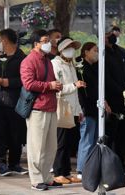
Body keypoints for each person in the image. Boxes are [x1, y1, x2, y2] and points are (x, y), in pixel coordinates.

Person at [20, 29, 62, 191]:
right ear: (36, 43)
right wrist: (49, 86)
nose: (48, 44)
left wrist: (55, 85)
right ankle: (36, 180)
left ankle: (46, 177)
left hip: (50, 106)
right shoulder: (29, 61)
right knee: (36, 147)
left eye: (48, 40)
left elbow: (49, 81)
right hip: (37, 108)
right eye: (45, 41)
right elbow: (28, 84)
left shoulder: (47, 60)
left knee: (51, 147)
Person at [0, 29, 29, 176]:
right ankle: (0, 163)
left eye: (1, 40)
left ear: (5, 40)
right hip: (0, 102)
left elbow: (25, 79)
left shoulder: (22, 59)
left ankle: (15, 163)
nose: (0, 43)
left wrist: (9, 82)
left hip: (16, 102)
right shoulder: (0, 59)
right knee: (0, 134)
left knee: (16, 134)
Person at [51, 37, 84, 184]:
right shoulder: (55, 64)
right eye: (68, 47)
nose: (71, 50)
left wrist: (79, 110)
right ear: (61, 49)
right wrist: (74, 85)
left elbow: (75, 93)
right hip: (62, 108)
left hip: (73, 109)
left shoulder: (72, 65)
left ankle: (67, 172)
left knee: (69, 143)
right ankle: (58, 172)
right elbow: (58, 88)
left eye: (73, 47)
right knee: (60, 142)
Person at [104, 31, 125, 176]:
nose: (109, 37)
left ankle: (121, 164)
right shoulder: (101, 53)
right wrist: (119, 90)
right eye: (105, 34)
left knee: (122, 134)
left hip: (124, 98)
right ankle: (110, 166)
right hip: (111, 98)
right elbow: (106, 78)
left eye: (110, 34)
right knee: (110, 134)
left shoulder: (122, 52)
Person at [75, 42, 101, 179]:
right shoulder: (81, 67)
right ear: (86, 52)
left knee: (94, 140)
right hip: (86, 109)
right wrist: (81, 109)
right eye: (94, 50)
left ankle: (90, 168)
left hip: (96, 109)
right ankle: (81, 169)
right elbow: (82, 93)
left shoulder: (95, 67)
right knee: (87, 140)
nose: (96, 53)